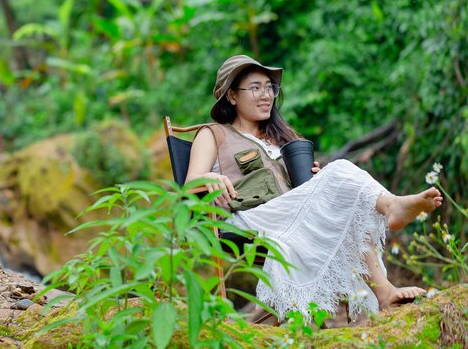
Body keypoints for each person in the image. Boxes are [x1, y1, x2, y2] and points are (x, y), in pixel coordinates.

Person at [185, 54, 443, 321]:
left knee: (342, 197)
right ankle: (391, 206)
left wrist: (315, 181)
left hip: (290, 214)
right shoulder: (214, 133)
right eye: (255, 88)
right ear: (231, 96)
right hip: (250, 218)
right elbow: (189, 186)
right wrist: (209, 179)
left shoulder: (280, 138)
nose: (266, 95)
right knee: (340, 170)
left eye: (269, 88)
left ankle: (385, 292)